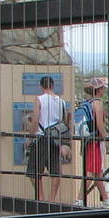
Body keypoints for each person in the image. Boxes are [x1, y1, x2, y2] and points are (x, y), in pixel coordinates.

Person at [32, 74, 68, 204]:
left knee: (34, 170)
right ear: (53, 85)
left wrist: (31, 137)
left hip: (41, 137)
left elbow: (35, 119)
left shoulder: (39, 99)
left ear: (41, 86)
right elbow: (65, 121)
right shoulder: (62, 102)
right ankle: (52, 199)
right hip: (56, 138)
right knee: (55, 170)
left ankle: (41, 197)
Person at [79, 78, 108, 206]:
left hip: (87, 141)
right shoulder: (98, 103)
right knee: (91, 172)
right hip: (96, 141)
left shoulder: (86, 102)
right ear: (99, 89)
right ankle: (79, 199)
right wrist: (105, 138)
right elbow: (100, 124)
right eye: (103, 88)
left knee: (97, 172)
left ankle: (106, 199)